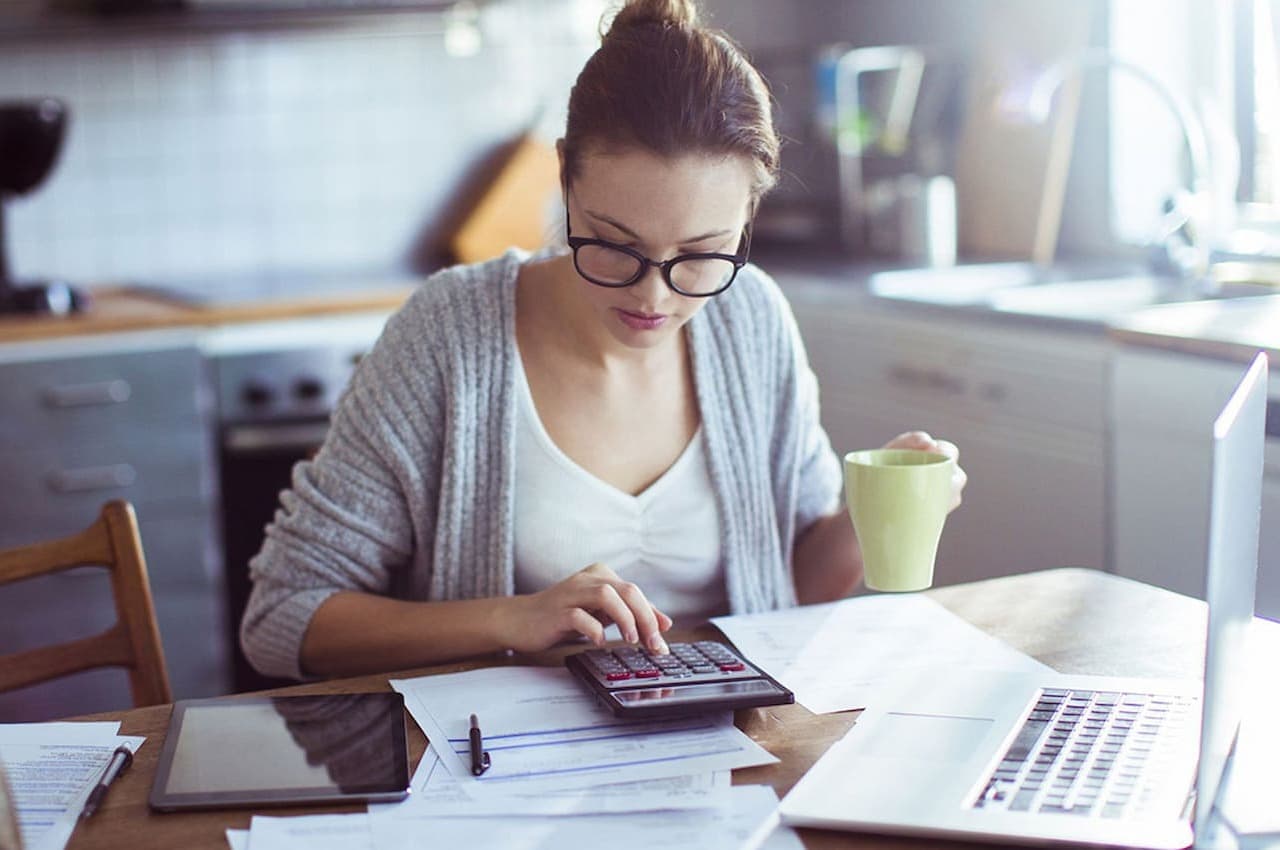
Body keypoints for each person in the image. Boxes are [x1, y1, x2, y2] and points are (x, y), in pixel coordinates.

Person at [240, 0, 967, 681]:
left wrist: (879, 510)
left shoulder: (753, 320)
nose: (654, 297)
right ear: (564, 176)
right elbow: (281, 618)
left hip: (732, 757)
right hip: (500, 779)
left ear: (750, 212)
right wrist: (511, 619)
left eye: (702, 253)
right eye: (616, 246)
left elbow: (792, 588)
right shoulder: (450, 335)